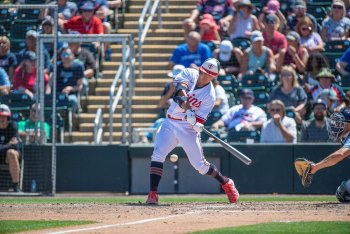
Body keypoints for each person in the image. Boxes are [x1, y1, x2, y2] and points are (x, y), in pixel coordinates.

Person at [146, 58, 239, 205]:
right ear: (200, 69)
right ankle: (153, 193)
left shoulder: (210, 95)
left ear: (213, 77)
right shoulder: (190, 73)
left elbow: (200, 119)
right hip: (170, 122)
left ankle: (226, 182)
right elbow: (178, 93)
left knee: (200, 166)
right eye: (203, 72)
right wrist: (188, 108)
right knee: (157, 154)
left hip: (188, 128)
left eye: (209, 75)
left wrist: (197, 124)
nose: (204, 76)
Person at [296, 107, 350, 202]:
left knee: (343, 192)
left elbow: (340, 154)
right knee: (343, 192)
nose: (336, 125)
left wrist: (316, 167)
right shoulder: (345, 137)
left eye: (340, 123)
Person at [46, 47, 84, 114]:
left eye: (68, 54)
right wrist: (47, 96)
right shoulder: (55, 66)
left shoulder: (78, 67)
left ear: (72, 56)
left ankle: (71, 119)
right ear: (61, 56)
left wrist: (71, 88)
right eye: (63, 55)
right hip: (57, 94)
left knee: (73, 101)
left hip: (70, 94)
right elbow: (49, 83)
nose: (66, 57)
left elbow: (80, 85)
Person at [0, 104, 21, 192]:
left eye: (5, 116)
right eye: (0, 116)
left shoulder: (13, 126)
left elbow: (15, 145)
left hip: (9, 156)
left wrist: (2, 147)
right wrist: (8, 145)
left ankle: (15, 187)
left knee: (11, 153)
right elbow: (11, 144)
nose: (2, 119)